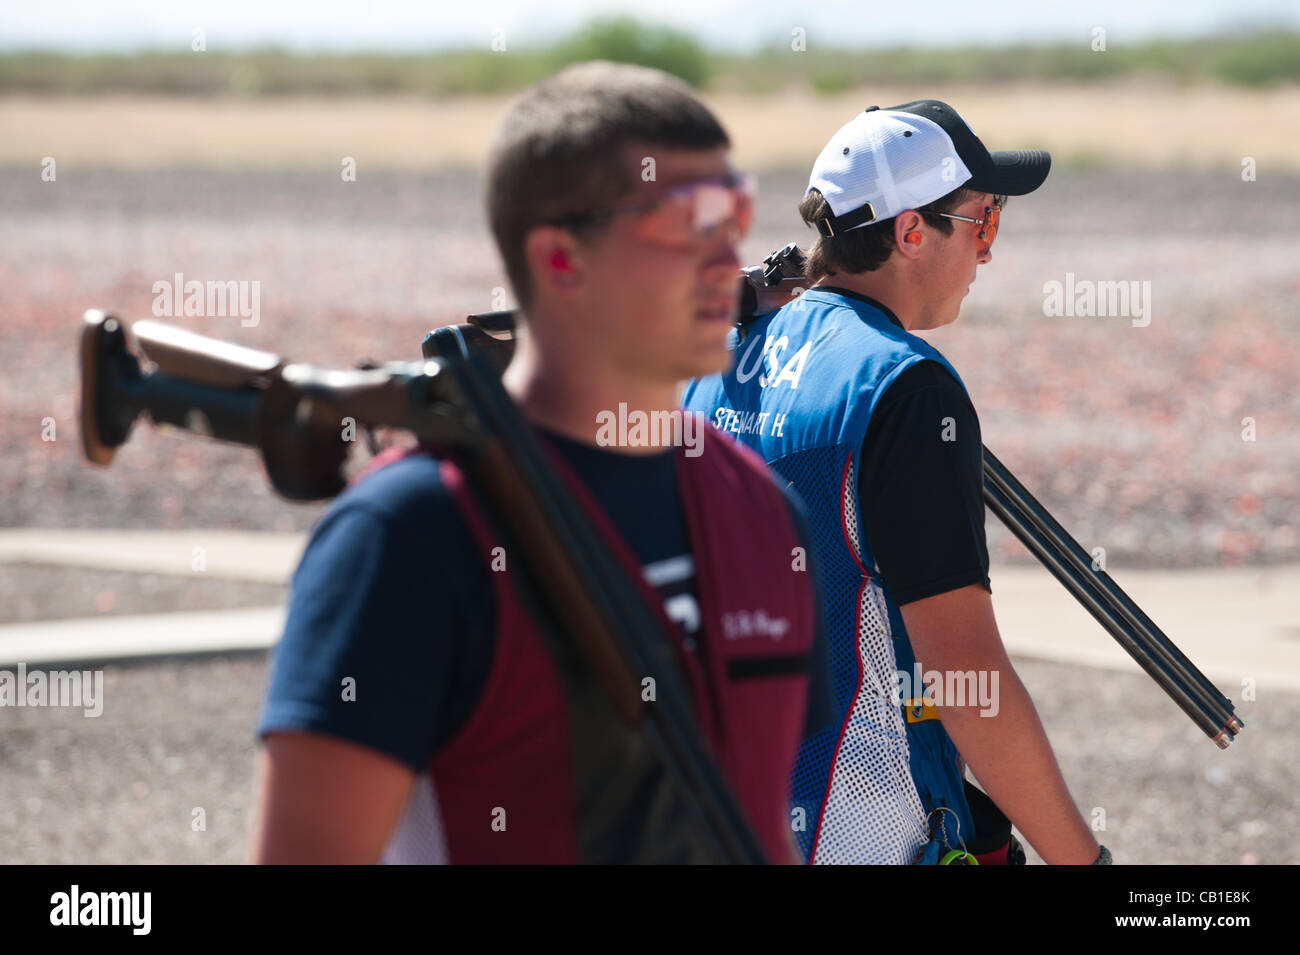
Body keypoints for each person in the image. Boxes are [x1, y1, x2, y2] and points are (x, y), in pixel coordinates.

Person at [252, 61, 831, 864]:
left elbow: (763, 832)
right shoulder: (406, 535)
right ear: (560, 259)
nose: (724, 261)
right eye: (685, 222)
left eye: (733, 215)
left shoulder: (764, 514)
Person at [683, 100, 1107, 865]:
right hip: (871, 831)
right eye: (984, 220)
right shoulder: (905, 388)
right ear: (912, 231)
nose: (987, 252)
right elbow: (966, 676)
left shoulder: (717, 363)